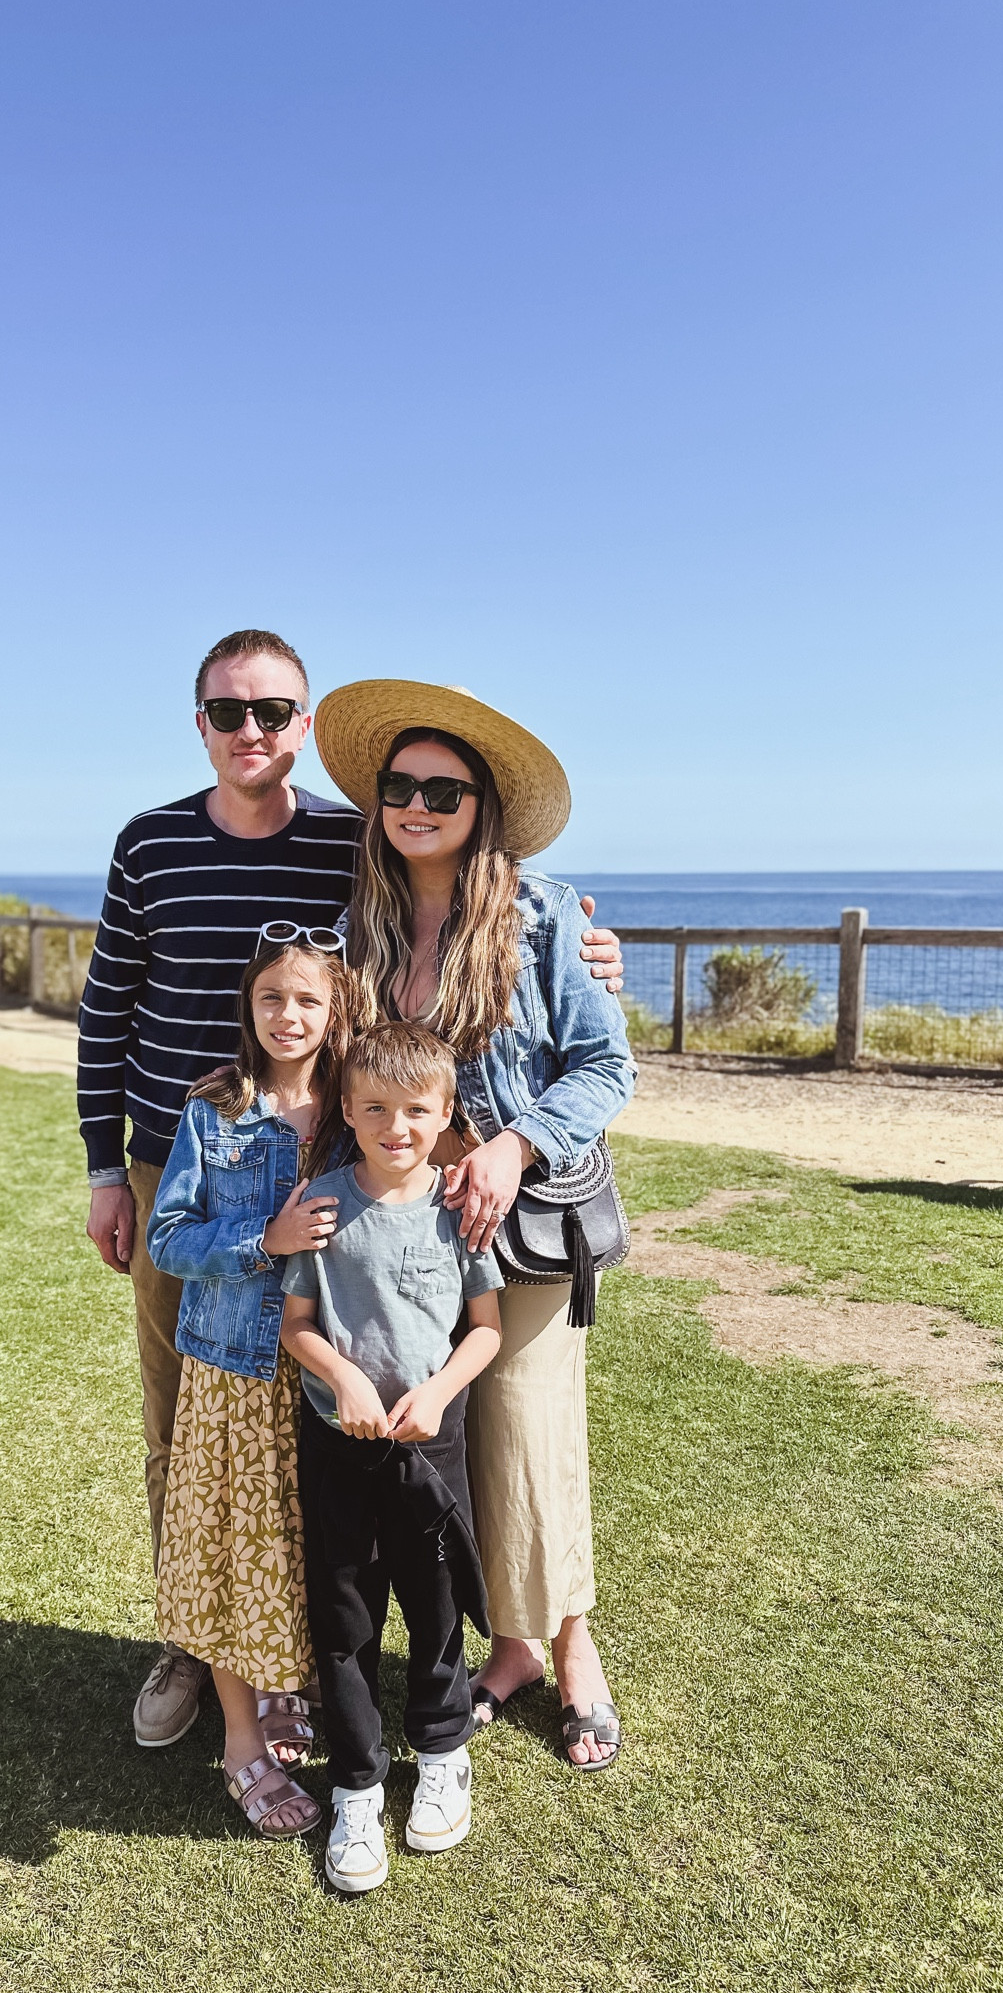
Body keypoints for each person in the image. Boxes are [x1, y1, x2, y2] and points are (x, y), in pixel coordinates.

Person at [77, 631, 626, 1749]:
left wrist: (586, 969)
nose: (251, 733)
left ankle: (527, 1644)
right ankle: (206, 1639)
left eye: (272, 713)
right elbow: (107, 1008)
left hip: (422, 1192)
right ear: (201, 724)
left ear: (304, 723)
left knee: (458, 1420)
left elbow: (579, 1027)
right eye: (229, 714)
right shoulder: (225, 860)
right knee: (216, 1420)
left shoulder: (439, 877)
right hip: (236, 1169)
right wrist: (105, 1163)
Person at [314, 679, 636, 1771]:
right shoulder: (362, 918)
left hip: (520, 1214)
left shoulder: (546, 912)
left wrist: (512, 1143)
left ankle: (574, 1645)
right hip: (407, 1232)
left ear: (480, 802)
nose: (416, 802)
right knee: (445, 1440)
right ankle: (511, 1649)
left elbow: (608, 1064)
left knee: (533, 1430)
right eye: (399, 785)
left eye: (440, 787)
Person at [281, 1021, 503, 1894]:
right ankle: (357, 1784)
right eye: (375, 1107)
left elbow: (483, 1334)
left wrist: (440, 1392)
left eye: (417, 1110)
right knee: (346, 1617)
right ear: (347, 1107)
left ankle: (443, 1750)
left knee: (439, 1602)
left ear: (446, 1113)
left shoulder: (458, 1213)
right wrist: (342, 1378)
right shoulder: (323, 1202)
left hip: (432, 1441)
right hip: (338, 1443)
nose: (396, 1126)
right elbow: (297, 1327)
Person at [146, 931, 357, 1837]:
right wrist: (257, 1245)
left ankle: (284, 1691)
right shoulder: (213, 1111)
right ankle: (240, 1742)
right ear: (250, 1006)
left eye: (307, 1000)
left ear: (336, 1011)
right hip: (233, 1375)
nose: (289, 1016)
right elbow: (166, 1240)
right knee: (230, 1556)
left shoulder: (356, 1110)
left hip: (324, 1373)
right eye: (272, 998)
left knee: (306, 1550)